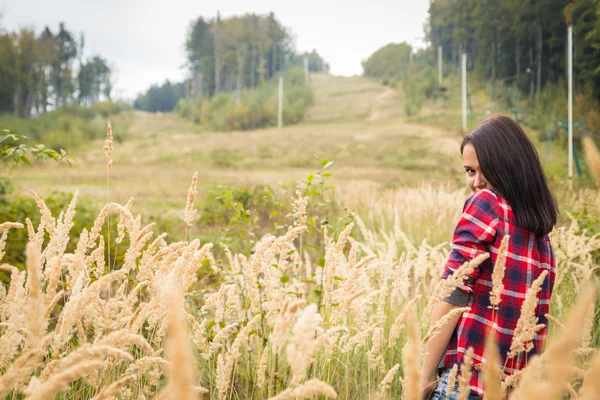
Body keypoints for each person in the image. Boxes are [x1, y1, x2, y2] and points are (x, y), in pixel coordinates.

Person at [420, 114, 558, 399]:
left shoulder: (486, 205)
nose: (477, 183)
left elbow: (452, 295)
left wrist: (423, 377)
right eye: (470, 171)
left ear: (511, 168)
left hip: (466, 383)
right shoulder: (542, 239)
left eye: (488, 171)